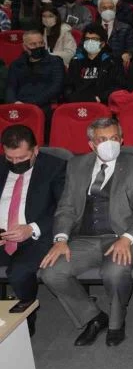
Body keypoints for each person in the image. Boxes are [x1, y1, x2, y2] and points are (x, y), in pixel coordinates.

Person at [39, 118, 133, 347]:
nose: (109, 143)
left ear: (122, 140)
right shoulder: (76, 165)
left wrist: (127, 238)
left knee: (114, 272)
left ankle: (116, 322)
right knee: (51, 272)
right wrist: (61, 239)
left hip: (123, 236)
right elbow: (66, 207)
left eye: (114, 138)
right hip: (84, 238)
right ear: (91, 144)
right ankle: (93, 316)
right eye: (102, 139)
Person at [0, 125, 66, 336]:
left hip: (36, 235)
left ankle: (27, 315)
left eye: (21, 158)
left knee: (19, 272)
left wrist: (32, 228)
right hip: (3, 233)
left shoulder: (55, 167)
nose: (15, 163)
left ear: (35, 150)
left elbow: (64, 209)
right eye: (10, 158)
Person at [6, 31, 64, 113]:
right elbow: (10, 87)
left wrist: (29, 104)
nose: (38, 46)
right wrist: (14, 102)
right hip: (19, 105)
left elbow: (56, 88)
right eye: (33, 44)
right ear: (25, 47)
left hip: (44, 105)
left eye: (41, 43)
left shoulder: (55, 61)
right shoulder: (16, 64)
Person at [65, 26, 121, 104]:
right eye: (87, 39)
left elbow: (118, 87)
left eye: (94, 39)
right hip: (77, 102)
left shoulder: (112, 62)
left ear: (102, 44)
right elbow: (68, 87)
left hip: (101, 103)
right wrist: (73, 97)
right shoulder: (76, 61)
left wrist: (100, 98)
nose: (90, 42)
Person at [95, 0, 133, 68]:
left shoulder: (126, 28)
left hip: (117, 65)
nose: (108, 10)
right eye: (104, 8)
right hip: (97, 65)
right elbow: (83, 48)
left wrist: (128, 54)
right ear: (99, 10)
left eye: (111, 8)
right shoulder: (91, 28)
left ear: (115, 9)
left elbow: (132, 49)